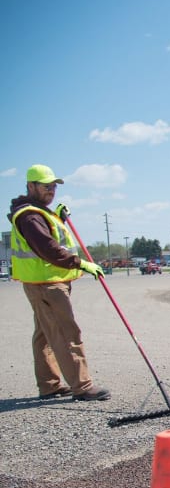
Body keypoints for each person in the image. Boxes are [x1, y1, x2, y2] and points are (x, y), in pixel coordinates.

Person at [8, 164, 111, 401]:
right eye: (46, 187)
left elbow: (51, 240)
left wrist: (57, 216)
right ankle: (82, 387)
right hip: (47, 284)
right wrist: (81, 263)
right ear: (31, 186)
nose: (51, 191)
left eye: (53, 187)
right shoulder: (31, 216)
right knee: (66, 332)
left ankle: (49, 385)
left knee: (44, 334)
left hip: (42, 283)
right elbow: (49, 249)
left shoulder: (38, 212)